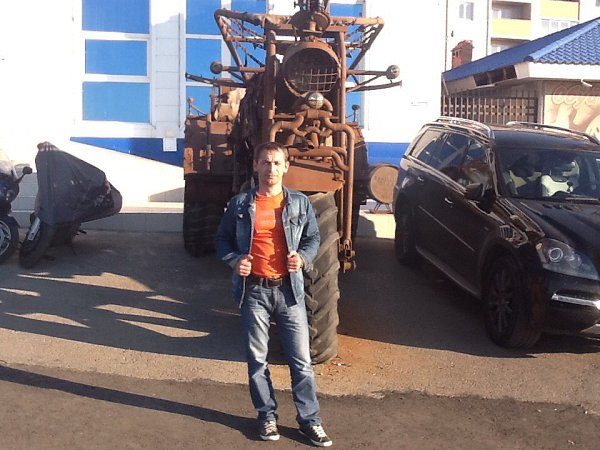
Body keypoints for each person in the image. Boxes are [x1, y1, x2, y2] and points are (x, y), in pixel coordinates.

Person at [215, 142, 333, 447]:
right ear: (256, 165)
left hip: (289, 291)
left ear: (286, 167)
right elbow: (222, 239)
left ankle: (310, 421)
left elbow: (313, 237)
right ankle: (266, 416)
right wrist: (235, 261)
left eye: (277, 163)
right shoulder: (240, 204)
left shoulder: (299, 203)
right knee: (257, 360)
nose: (271, 169)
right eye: (266, 162)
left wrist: (303, 258)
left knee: (301, 361)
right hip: (254, 291)